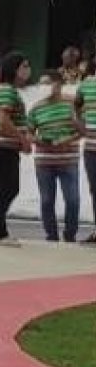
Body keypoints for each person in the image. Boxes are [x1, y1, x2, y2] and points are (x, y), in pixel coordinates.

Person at [28, 70, 82, 242]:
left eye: (47, 83)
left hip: (68, 159)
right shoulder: (36, 107)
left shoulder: (73, 103)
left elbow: (84, 128)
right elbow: (28, 132)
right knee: (46, 201)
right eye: (41, 84)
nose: (44, 87)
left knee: (73, 200)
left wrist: (69, 140)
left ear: (58, 84)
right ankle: (51, 235)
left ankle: (70, 234)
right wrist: (39, 140)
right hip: (44, 161)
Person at [0, 52, 33, 247]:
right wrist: (23, 140)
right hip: (2, 147)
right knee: (7, 189)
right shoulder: (7, 91)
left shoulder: (9, 91)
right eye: (24, 66)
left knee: (6, 189)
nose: (28, 70)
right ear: (14, 70)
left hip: (5, 147)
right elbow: (4, 121)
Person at [74, 58, 96, 243]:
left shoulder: (85, 85)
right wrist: (83, 130)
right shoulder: (86, 85)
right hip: (91, 147)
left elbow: (75, 110)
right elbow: (75, 109)